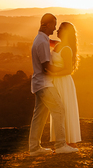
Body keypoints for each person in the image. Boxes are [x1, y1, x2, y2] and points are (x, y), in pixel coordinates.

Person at [28, 13, 77, 156]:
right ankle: (61, 145)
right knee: (59, 109)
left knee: (39, 116)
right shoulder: (42, 42)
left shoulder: (42, 39)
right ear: (47, 24)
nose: (55, 28)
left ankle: (34, 148)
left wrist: (64, 44)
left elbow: (55, 44)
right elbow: (45, 66)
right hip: (44, 84)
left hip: (39, 83)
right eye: (54, 25)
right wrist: (62, 71)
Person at [47, 21, 81, 146]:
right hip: (56, 82)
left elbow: (68, 70)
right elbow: (45, 41)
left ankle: (67, 141)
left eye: (60, 28)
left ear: (66, 32)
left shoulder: (66, 49)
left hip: (63, 82)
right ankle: (61, 140)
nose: (57, 30)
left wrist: (52, 74)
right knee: (57, 110)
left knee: (63, 109)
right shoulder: (58, 44)